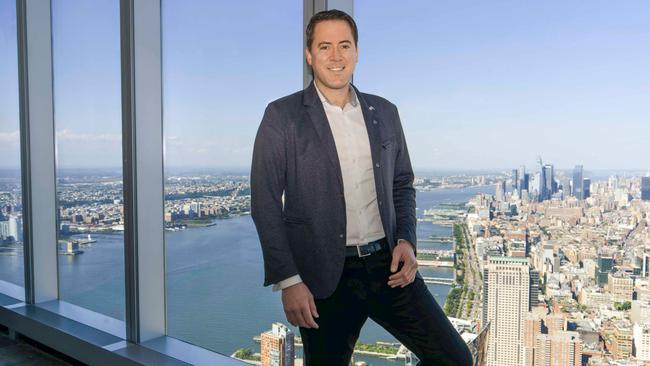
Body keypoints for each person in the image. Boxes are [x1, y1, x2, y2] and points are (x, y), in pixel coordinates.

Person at [251, 9, 473, 366]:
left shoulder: (385, 112)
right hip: (323, 278)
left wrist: (407, 240)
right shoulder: (282, 116)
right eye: (325, 47)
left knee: (455, 359)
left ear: (356, 52)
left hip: (389, 267)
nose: (336, 56)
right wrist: (289, 280)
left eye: (344, 45)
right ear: (309, 55)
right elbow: (264, 202)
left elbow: (403, 184)